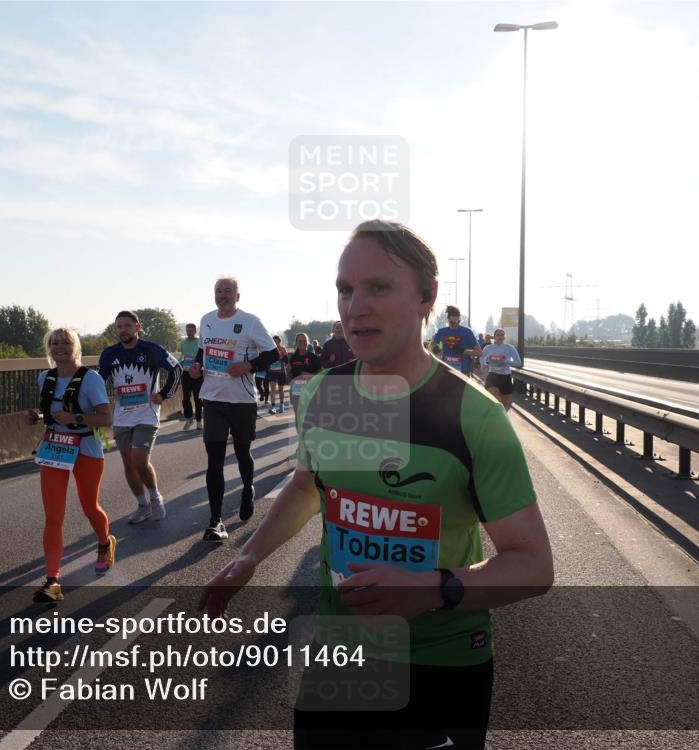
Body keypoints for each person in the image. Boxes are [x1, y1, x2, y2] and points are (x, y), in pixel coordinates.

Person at [201, 220, 553, 749]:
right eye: (345, 289)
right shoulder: (321, 393)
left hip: (439, 662)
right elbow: (306, 488)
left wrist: (434, 590)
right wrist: (250, 557)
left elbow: (533, 566)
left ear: (427, 298)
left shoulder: (475, 416)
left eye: (378, 288)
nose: (354, 307)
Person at [188, 277, 280, 541]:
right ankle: (215, 521)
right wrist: (196, 366)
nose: (223, 295)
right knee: (214, 462)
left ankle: (247, 488)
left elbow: (273, 354)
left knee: (242, 453)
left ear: (237, 296)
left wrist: (247, 366)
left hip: (242, 401)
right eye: (218, 291)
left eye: (228, 291)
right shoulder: (206, 319)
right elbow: (203, 351)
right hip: (212, 399)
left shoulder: (250, 321)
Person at [26, 327, 115, 603]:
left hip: (86, 450)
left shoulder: (91, 379)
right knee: (53, 516)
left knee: (90, 507)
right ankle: (53, 580)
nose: (60, 348)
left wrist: (74, 416)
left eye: (65, 343)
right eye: (54, 343)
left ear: (75, 347)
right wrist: (39, 415)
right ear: (49, 349)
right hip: (54, 449)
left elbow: (105, 419)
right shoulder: (45, 377)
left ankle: (105, 542)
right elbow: (53, 412)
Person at [99, 311, 182, 524]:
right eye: (119, 326)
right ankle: (142, 505)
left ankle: (155, 496)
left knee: (139, 460)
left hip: (147, 414)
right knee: (128, 464)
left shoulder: (151, 350)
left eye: (127, 325)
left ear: (138, 327)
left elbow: (177, 369)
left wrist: (164, 394)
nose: (123, 330)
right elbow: (98, 382)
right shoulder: (110, 354)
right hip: (122, 417)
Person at [431, 305, 482, 376]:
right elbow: (432, 345)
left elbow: (479, 352)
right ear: (448, 319)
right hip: (445, 372)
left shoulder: (467, 332)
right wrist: (437, 351)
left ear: (459, 319)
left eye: (456, 322)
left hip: (462, 373)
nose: (454, 324)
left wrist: (462, 350)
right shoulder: (441, 332)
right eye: (451, 322)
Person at [481, 328, 522, 410]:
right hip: (493, 376)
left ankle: (500, 418)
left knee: (504, 405)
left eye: (502, 335)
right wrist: (484, 364)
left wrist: (506, 361)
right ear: (494, 337)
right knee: (496, 400)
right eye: (498, 334)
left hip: (505, 377)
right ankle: (493, 416)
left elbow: (518, 363)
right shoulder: (488, 347)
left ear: (505, 337)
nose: (500, 336)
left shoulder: (509, 348)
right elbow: (481, 357)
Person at [285, 332, 321, 413]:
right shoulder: (292, 358)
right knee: (299, 417)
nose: (302, 343)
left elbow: (321, 376)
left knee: (311, 418)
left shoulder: (313, 357)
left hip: (311, 392)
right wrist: (287, 372)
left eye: (304, 341)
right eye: (300, 341)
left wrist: (309, 375)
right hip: (296, 392)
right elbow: (288, 381)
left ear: (307, 342)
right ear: (296, 342)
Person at [179, 323, 203, 430]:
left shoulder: (199, 342)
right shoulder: (183, 342)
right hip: (186, 373)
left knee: (198, 398)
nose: (189, 332)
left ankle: (199, 421)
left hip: (197, 373)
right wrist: (180, 361)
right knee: (185, 398)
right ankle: (189, 418)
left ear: (195, 331)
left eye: (191, 330)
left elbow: (202, 355)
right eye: (187, 330)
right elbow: (182, 355)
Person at [266, 334, 288, 414]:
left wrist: (281, 359)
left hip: (281, 371)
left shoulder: (282, 349)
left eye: (276, 341)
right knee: (272, 387)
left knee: (281, 388)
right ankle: (273, 406)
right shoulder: (270, 349)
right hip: (272, 371)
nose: (275, 343)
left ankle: (282, 404)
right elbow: (266, 359)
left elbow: (286, 360)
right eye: (274, 341)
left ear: (279, 341)